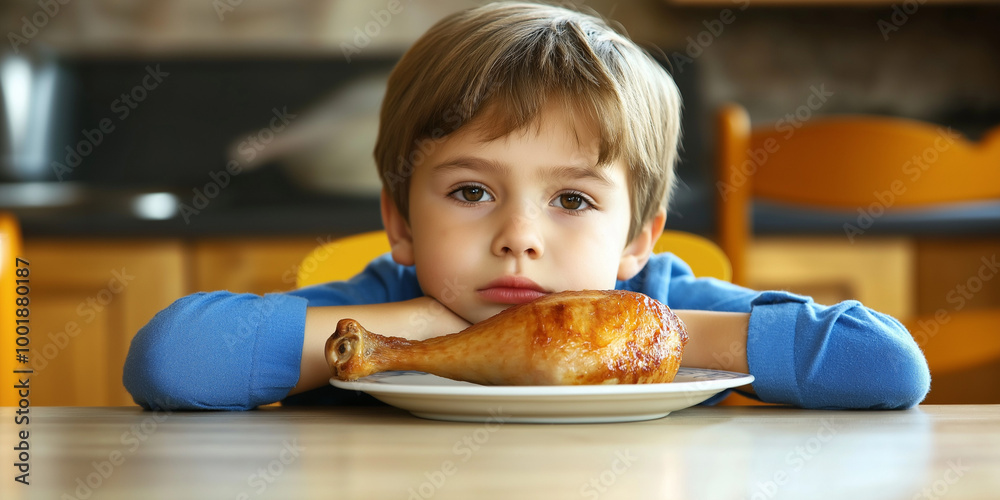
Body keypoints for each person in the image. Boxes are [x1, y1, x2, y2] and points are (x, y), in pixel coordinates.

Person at [123, 2, 929, 411]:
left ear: (638, 238)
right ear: (401, 221)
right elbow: (170, 361)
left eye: (572, 199)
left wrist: (643, 339)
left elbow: (888, 366)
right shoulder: (374, 316)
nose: (518, 239)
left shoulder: (660, 304)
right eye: (471, 192)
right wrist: (413, 339)